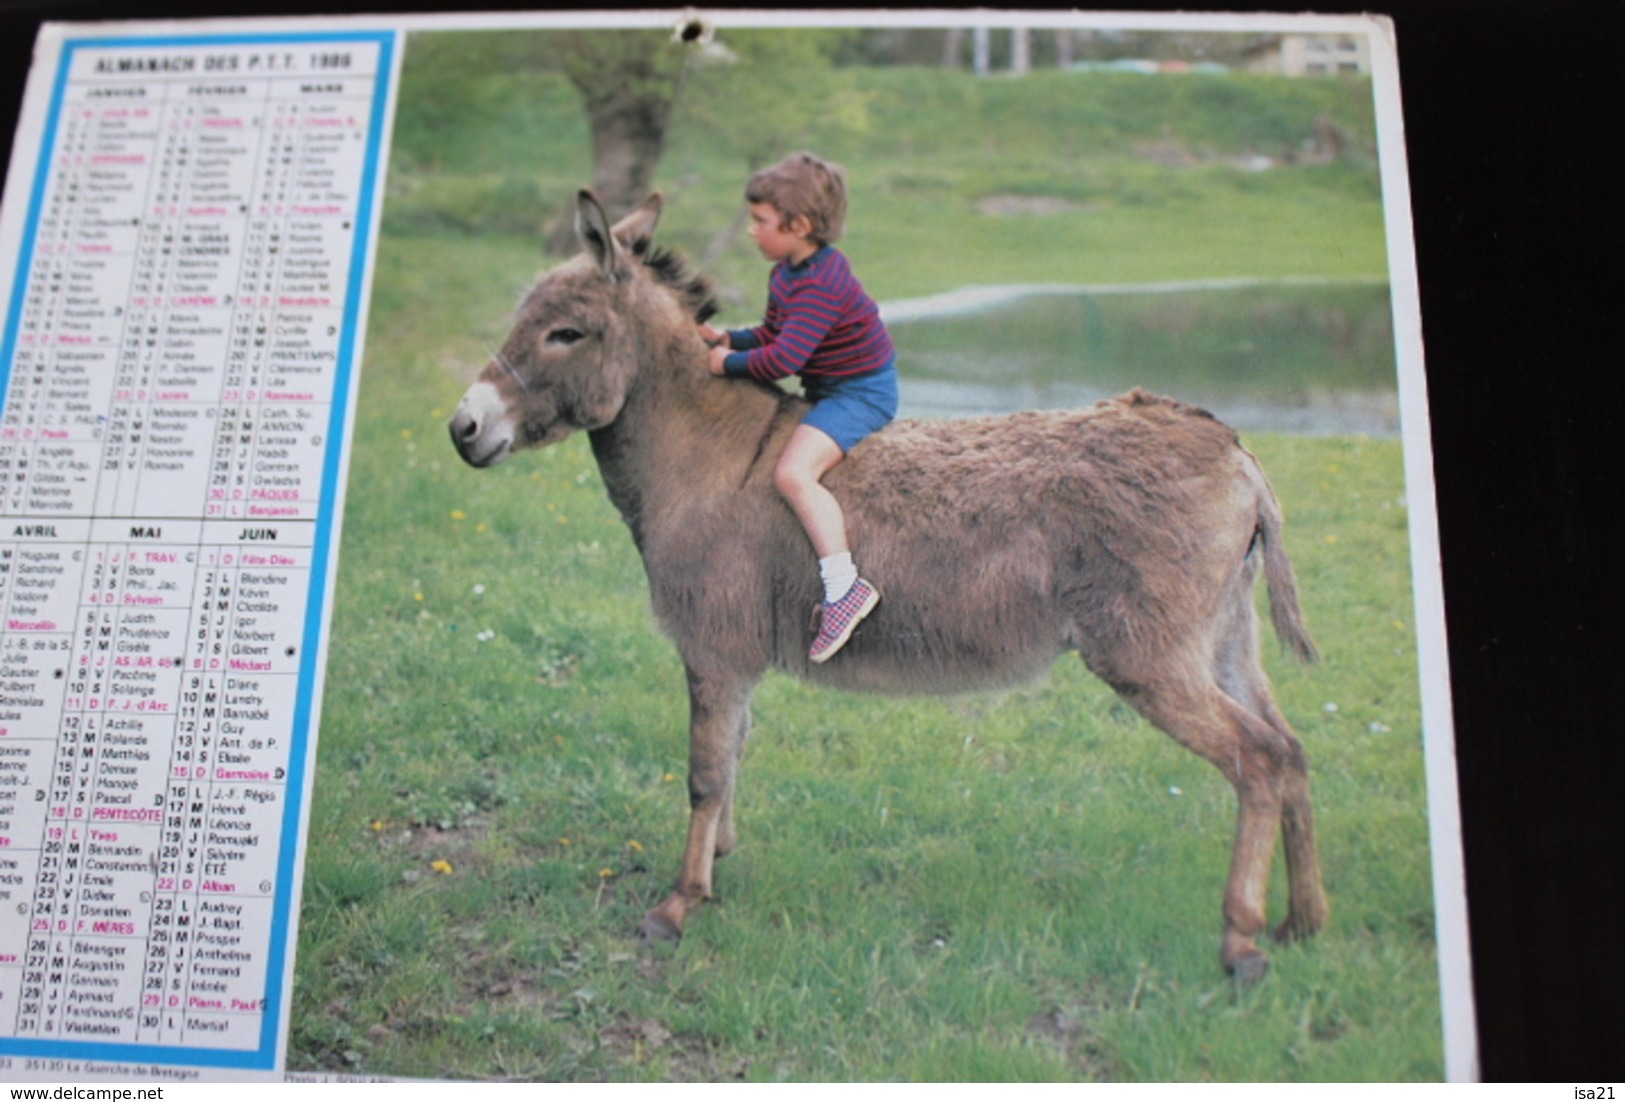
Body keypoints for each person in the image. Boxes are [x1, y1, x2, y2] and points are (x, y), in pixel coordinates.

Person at [700, 152, 899, 664]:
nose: (751, 231)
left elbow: (784, 358)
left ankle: (844, 588)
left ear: (799, 225)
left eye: (761, 221)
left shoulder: (822, 282)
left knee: (792, 474)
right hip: (827, 385)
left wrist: (726, 365)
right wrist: (727, 338)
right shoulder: (787, 272)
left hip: (858, 392)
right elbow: (771, 335)